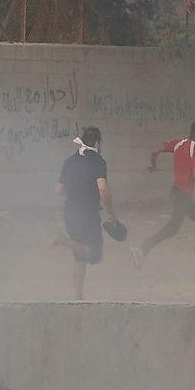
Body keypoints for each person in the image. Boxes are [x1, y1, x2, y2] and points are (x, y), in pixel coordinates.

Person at [132, 119, 195, 272]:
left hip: (177, 193)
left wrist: (153, 165)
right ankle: (141, 250)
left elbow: (154, 151)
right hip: (182, 196)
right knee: (177, 227)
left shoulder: (178, 143)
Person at [54, 126, 120, 300]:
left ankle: (78, 297)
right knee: (94, 254)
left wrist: (75, 194)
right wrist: (111, 214)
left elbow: (59, 189)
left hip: (70, 212)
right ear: (97, 143)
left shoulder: (70, 160)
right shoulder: (98, 161)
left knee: (80, 255)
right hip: (87, 213)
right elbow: (103, 189)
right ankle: (65, 241)